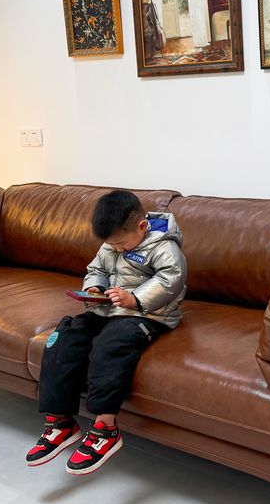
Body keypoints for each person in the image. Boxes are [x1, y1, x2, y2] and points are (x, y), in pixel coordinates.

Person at [26, 189, 187, 475]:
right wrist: (94, 288)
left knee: (110, 344)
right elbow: (97, 268)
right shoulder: (111, 243)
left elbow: (170, 279)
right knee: (65, 336)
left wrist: (134, 298)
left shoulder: (165, 246)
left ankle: (105, 428)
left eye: (121, 244)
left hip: (148, 314)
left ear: (142, 226)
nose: (116, 249)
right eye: (111, 245)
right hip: (108, 310)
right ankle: (61, 421)